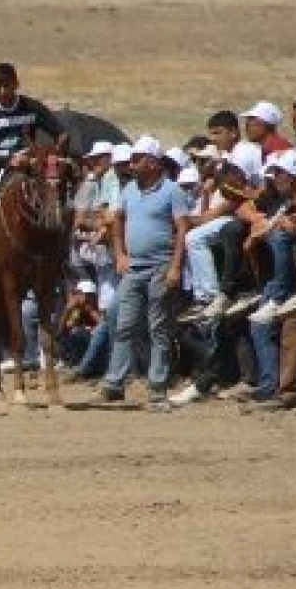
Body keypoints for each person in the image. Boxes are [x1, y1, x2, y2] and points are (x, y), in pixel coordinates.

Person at [99, 138, 190, 410]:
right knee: (123, 323)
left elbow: (182, 229)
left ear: (152, 161)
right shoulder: (129, 189)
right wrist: (120, 254)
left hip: (160, 266)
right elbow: (118, 219)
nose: (132, 164)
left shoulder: (172, 191)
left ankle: (157, 388)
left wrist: (175, 266)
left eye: (137, 159)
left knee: (157, 327)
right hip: (135, 266)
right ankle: (114, 383)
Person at [0, 62, 69, 289]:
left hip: (31, 169)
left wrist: (56, 148)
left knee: (60, 204)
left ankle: (61, 258)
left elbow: (60, 132)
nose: (3, 92)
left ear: (16, 84)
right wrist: (8, 161)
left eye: (7, 86)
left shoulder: (32, 108)